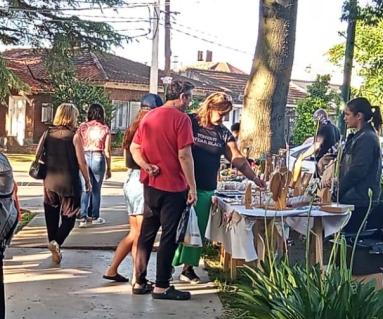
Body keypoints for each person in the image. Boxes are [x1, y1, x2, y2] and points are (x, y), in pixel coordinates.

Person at [173, 92, 265, 284]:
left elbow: (237, 158)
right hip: (181, 184)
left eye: (225, 115)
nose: (222, 118)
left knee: (196, 228)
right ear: (209, 107)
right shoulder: (191, 122)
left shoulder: (223, 133)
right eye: (220, 113)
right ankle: (166, 265)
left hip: (205, 188)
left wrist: (255, 178)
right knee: (174, 227)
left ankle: (188, 267)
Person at [129, 80, 197, 301]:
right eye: (189, 97)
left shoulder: (149, 116)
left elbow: (134, 147)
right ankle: (162, 285)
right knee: (169, 236)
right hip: (173, 186)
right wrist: (192, 186)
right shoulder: (182, 119)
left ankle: (139, 280)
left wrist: (146, 166)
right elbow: (184, 155)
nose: (190, 102)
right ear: (183, 97)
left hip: (151, 184)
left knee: (147, 234)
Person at [103, 93, 162, 282]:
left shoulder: (132, 127)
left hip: (131, 179)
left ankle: (117, 270)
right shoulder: (149, 129)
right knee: (140, 233)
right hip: (141, 180)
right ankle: (137, 276)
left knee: (135, 231)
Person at [41, 103, 91, 265]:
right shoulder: (75, 136)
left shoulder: (47, 133)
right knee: (69, 217)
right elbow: (82, 161)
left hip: (50, 181)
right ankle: (57, 242)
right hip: (69, 182)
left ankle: (53, 243)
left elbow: (38, 154)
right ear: (71, 117)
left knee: (51, 215)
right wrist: (88, 181)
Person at [337, 97, 383, 232]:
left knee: (350, 240)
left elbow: (358, 170)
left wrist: (339, 191)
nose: (344, 118)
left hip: (359, 198)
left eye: (347, 114)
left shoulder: (367, 138)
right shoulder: (360, 136)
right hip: (355, 197)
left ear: (359, 116)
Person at [76, 103, 112, 226]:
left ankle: (83, 216)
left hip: (85, 155)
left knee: (85, 187)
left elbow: (77, 144)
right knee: (96, 189)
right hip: (98, 156)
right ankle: (95, 216)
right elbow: (107, 150)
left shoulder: (82, 127)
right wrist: (109, 168)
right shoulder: (104, 128)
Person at [292, 109, 340, 180]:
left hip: (323, 162)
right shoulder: (335, 128)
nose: (315, 123)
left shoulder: (323, 128)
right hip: (332, 163)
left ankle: (293, 182)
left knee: (318, 185)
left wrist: (302, 156)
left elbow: (316, 145)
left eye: (315, 120)